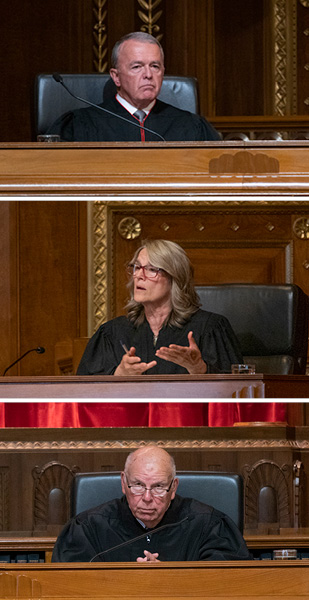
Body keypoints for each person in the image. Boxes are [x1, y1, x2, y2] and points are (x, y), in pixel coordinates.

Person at [52, 446, 251, 562]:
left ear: (173, 488)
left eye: (158, 487)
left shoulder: (209, 526)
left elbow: (230, 585)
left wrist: (167, 583)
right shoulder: (88, 528)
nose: (147, 498)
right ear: (123, 483)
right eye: (138, 485)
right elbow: (69, 588)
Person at [77, 239, 243, 376]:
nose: (139, 276)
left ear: (175, 278)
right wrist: (119, 374)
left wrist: (199, 369)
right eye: (136, 267)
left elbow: (237, 392)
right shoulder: (112, 333)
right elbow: (82, 394)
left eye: (151, 269)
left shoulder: (210, 329)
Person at [47, 31, 220, 142]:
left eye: (155, 66)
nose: (148, 74)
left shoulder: (191, 126)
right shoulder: (81, 125)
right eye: (137, 67)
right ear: (116, 77)